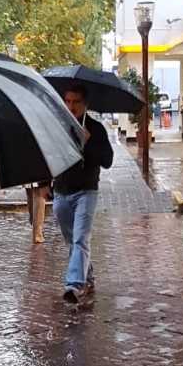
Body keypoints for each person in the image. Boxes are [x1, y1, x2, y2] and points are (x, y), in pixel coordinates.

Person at [54, 84, 114, 304]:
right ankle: (87, 276)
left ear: (85, 104)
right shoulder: (57, 126)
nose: (71, 106)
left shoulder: (96, 129)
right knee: (73, 241)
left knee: (80, 238)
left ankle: (74, 285)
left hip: (86, 192)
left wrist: (88, 142)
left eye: (76, 102)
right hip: (60, 192)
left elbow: (107, 161)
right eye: (68, 101)